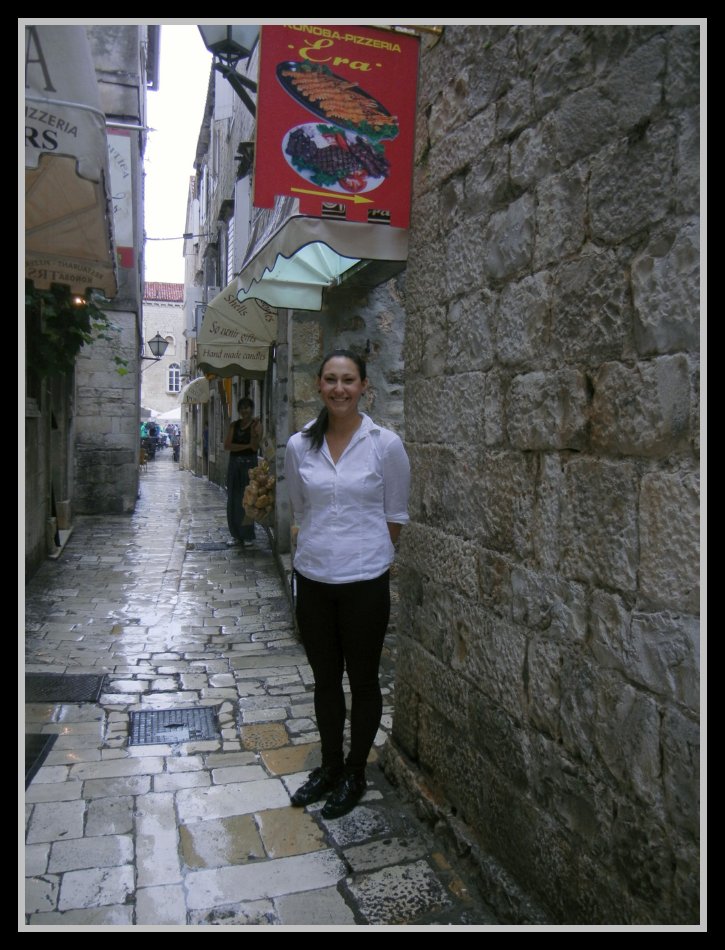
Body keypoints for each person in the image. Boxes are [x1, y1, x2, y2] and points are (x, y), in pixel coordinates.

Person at [284, 349, 411, 819]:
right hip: (314, 578)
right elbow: (301, 509)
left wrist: (365, 552)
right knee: (324, 681)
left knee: (363, 680)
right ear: (319, 385)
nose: (340, 389)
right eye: (331, 380)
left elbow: (395, 515)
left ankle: (356, 771)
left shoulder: (385, 445)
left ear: (363, 387)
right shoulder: (300, 445)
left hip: (364, 582)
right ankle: (330, 766)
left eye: (349, 380)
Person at [224, 397, 261, 546]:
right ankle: (235, 535)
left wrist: (252, 433)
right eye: (242, 408)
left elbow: (255, 446)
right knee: (233, 499)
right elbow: (227, 445)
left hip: (249, 467)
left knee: (248, 500)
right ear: (239, 410)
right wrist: (246, 446)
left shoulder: (256, 425)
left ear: (251, 409)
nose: (245, 410)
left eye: (247, 407)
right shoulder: (234, 425)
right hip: (234, 465)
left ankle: (247, 535)